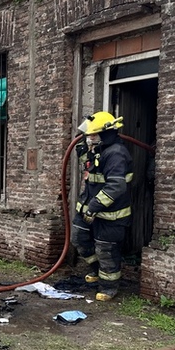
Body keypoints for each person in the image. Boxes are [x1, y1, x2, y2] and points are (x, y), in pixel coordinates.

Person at [72, 111, 133, 302]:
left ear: (106, 133)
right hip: (88, 210)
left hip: (110, 215)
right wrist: (82, 140)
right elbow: (86, 161)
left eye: (93, 134)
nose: (90, 138)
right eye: (89, 134)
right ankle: (96, 270)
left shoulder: (116, 153)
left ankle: (109, 287)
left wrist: (94, 206)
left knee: (106, 251)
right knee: (79, 239)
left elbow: (116, 186)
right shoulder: (98, 150)